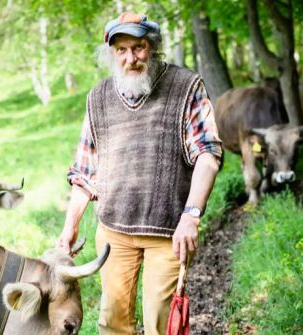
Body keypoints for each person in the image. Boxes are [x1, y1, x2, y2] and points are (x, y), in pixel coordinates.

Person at [56, 12, 223, 335]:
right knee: (112, 322)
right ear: (111, 54)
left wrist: (191, 216)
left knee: (161, 324)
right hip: (114, 232)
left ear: (153, 46)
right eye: (122, 50)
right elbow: (85, 171)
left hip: (168, 233)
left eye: (139, 47)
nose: (131, 58)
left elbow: (208, 153)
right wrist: (70, 227)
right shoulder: (98, 98)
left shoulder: (186, 87)